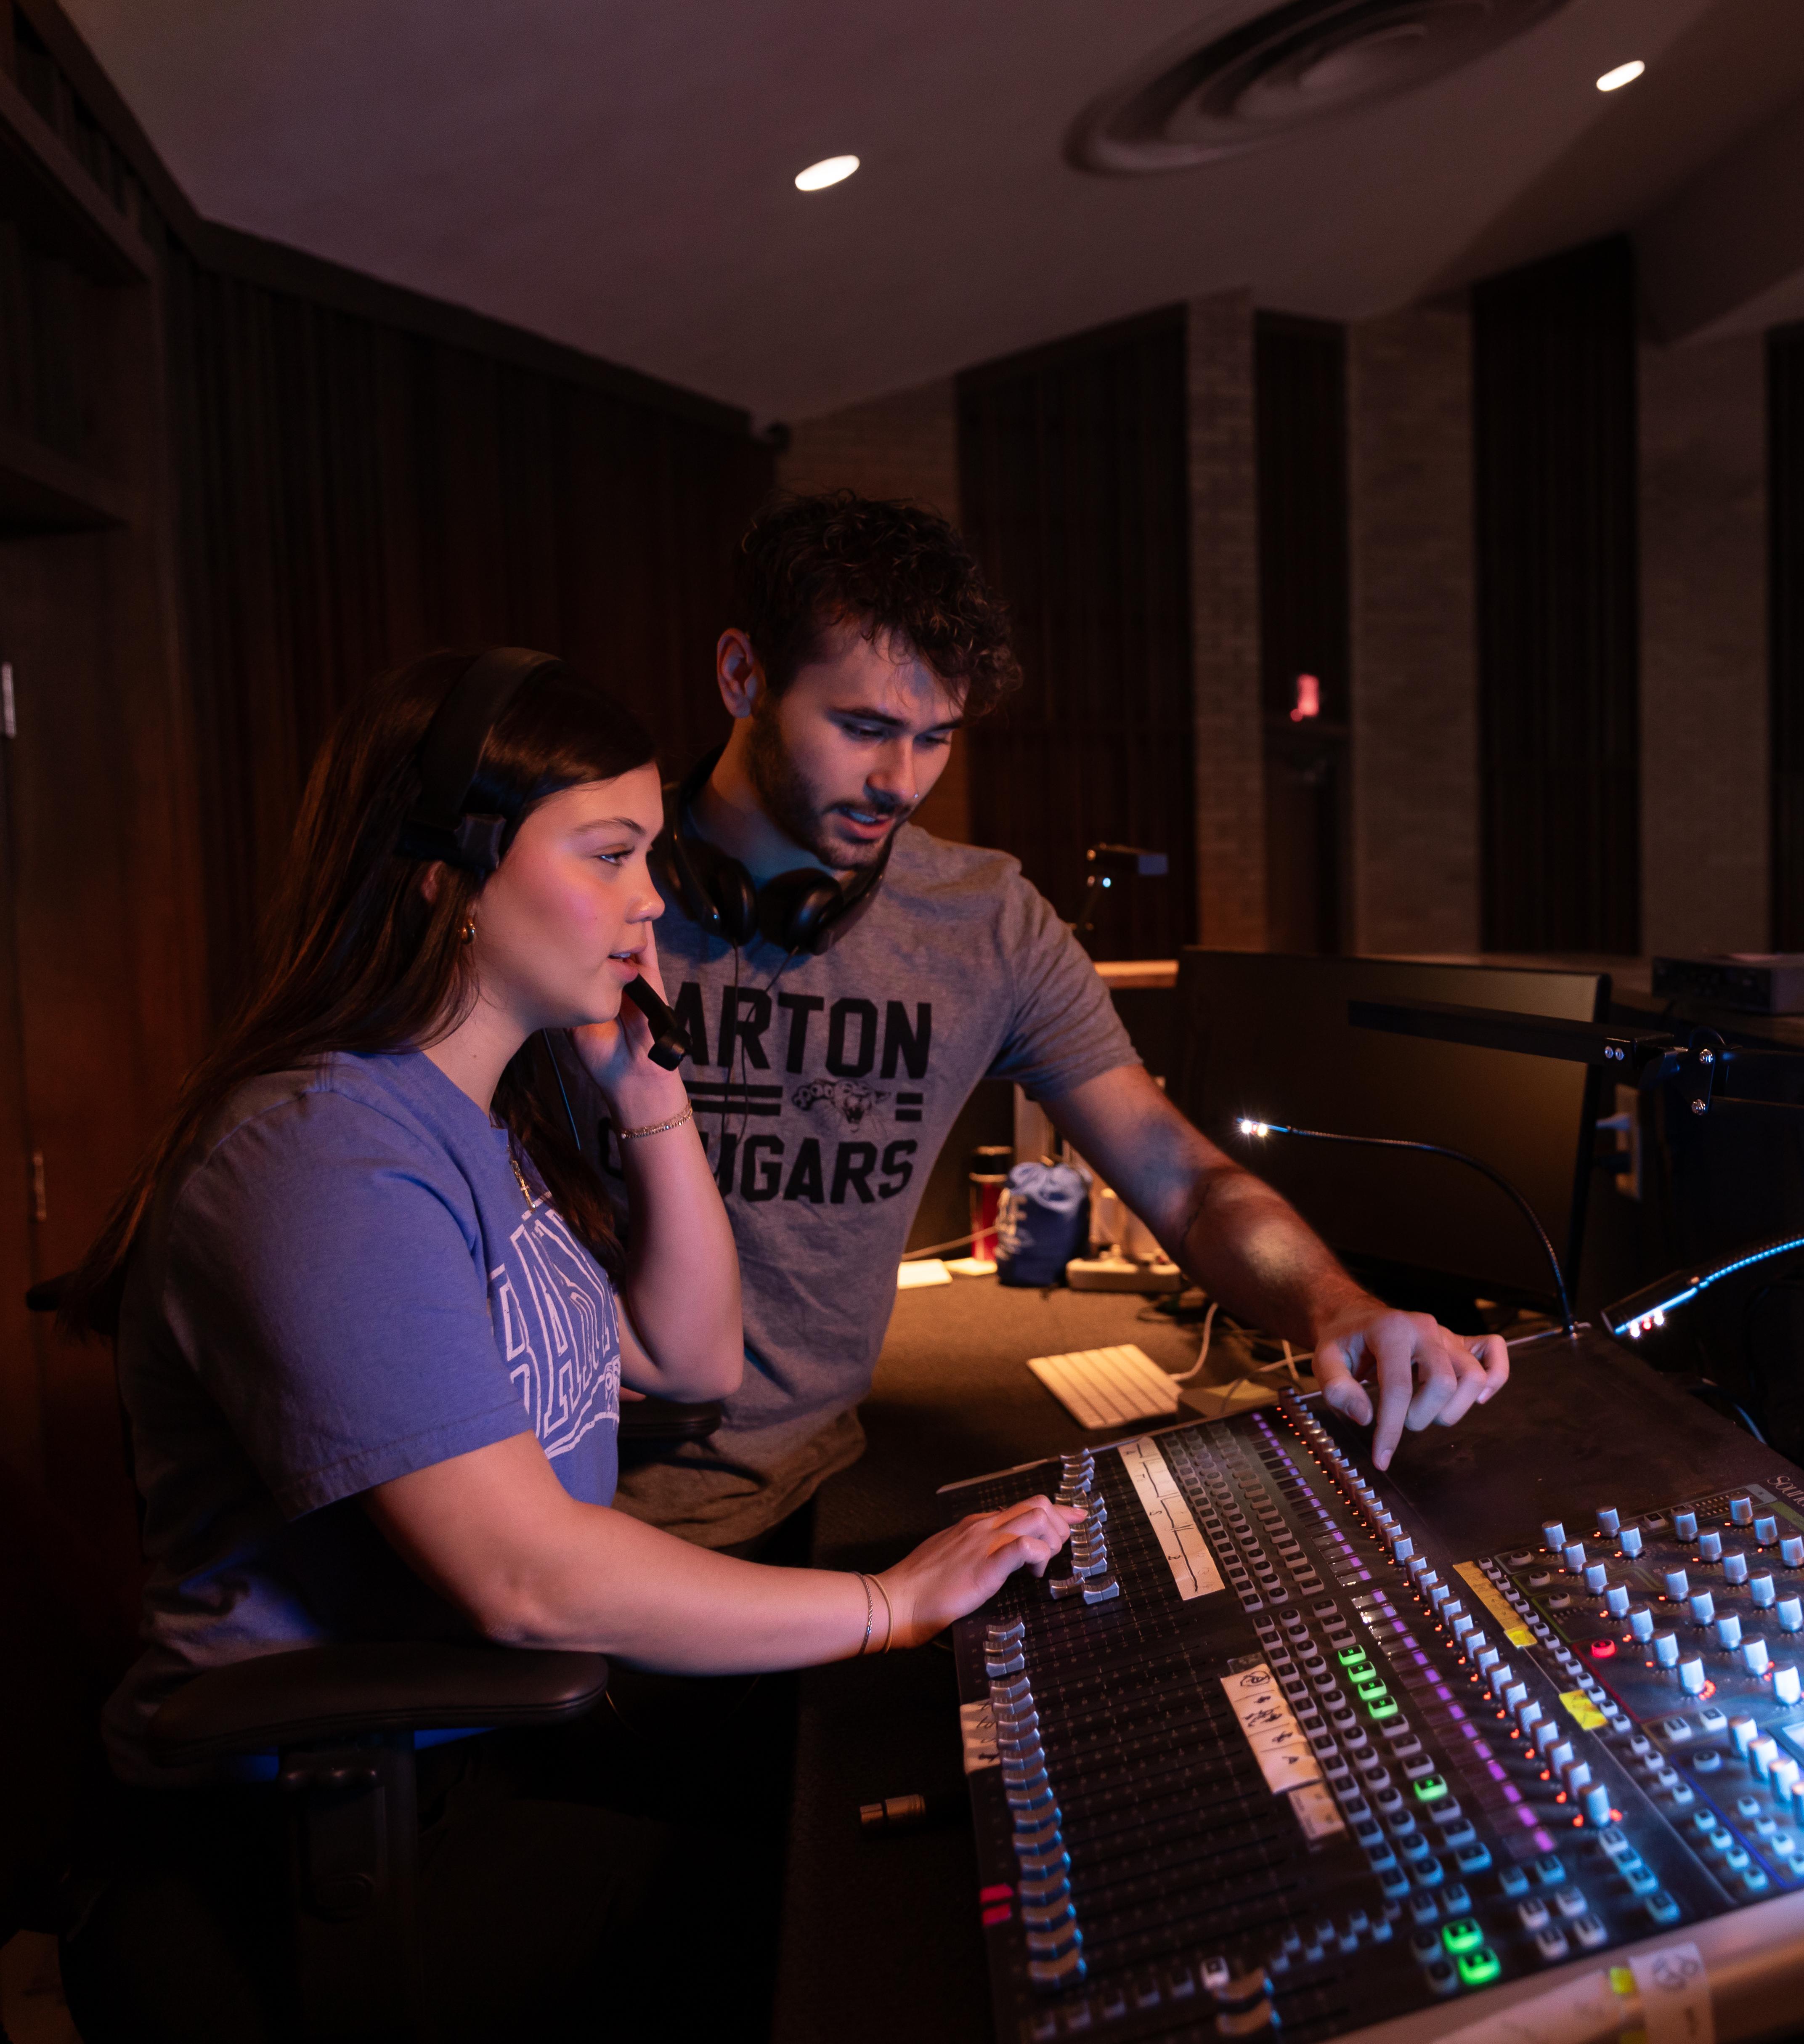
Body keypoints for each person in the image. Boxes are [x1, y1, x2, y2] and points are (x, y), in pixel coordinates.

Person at [58, 648, 1080, 2041]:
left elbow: (694, 1349)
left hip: (473, 1766)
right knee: (876, 1958)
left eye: (650, 853)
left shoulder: (467, 1128)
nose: (651, 899)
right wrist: (886, 1608)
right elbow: (526, 1575)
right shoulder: (323, 1155)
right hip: (313, 1845)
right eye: (608, 853)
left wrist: (645, 1087)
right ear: (447, 875)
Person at [612, 490, 1507, 1553]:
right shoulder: (584, 888)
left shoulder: (984, 921)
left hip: (796, 1496)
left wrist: (1334, 1308)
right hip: (561, 1499)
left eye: (935, 737)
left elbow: (1186, 1179)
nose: (900, 782)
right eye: (860, 730)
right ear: (742, 675)